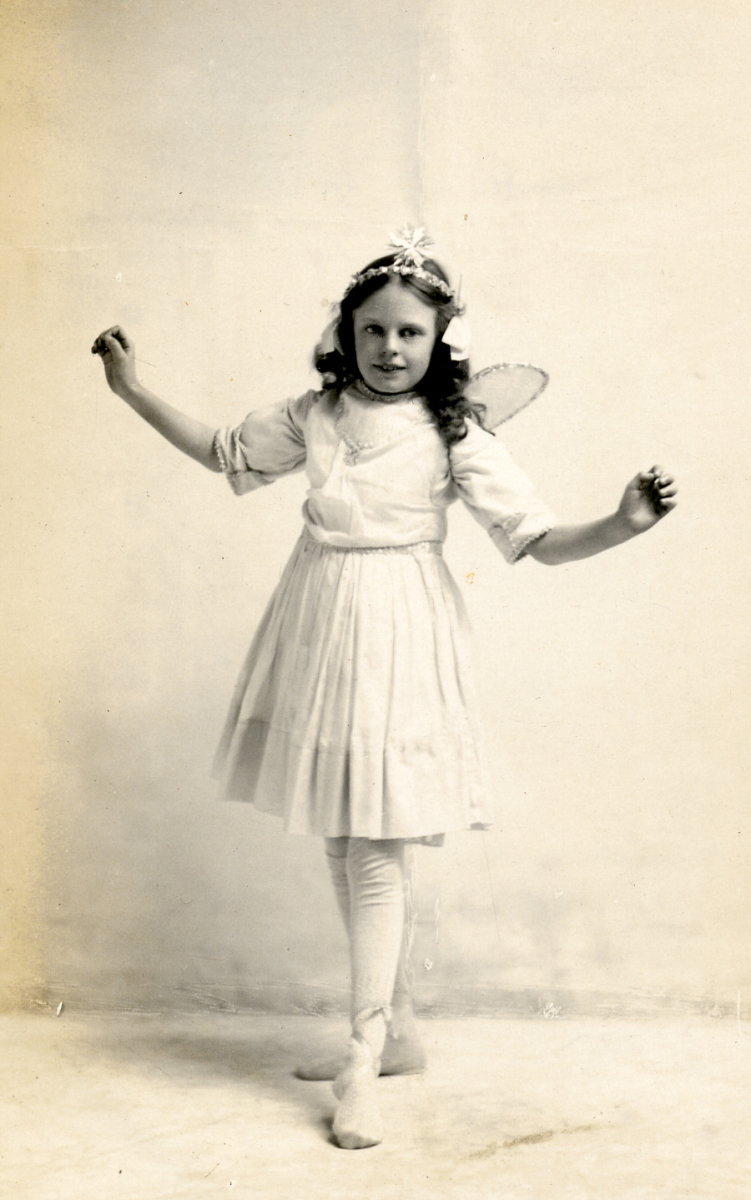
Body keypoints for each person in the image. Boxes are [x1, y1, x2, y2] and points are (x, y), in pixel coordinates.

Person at [92, 228, 676, 1150]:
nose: (390, 348)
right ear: (347, 333)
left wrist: (622, 522)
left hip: (399, 625)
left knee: (375, 842)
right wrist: (130, 389)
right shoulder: (315, 413)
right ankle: (396, 1031)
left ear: (441, 341)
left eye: (410, 332)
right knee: (345, 828)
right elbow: (219, 451)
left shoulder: (453, 432)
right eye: (373, 330)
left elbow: (538, 540)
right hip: (318, 614)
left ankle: (362, 1061)